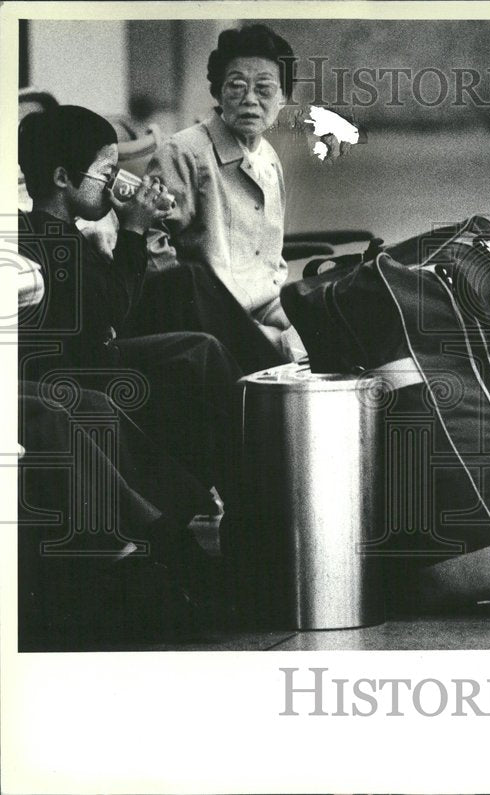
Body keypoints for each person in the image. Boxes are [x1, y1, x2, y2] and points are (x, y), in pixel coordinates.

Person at [17, 105, 243, 639]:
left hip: (92, 360)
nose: (114, 184)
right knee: (184, 360)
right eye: (105, 172)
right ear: (62, 179)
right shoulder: (43, 238)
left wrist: (130, 230)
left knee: (199, 348)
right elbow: (108, 311)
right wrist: (133, 229)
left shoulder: (71, 230)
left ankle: (253, 477)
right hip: (74, 371)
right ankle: (180, 540)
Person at [140, 23, 305, 369]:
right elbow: (151, 245)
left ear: (283, 99)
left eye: (264, 89)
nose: (250, 100)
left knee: (341, 334)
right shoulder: (184, 152)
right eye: (236, 86)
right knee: (292, 362)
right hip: (209, 316)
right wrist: (225, 321)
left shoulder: (269, 159)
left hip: (267, 306)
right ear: (217, 93)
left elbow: (271, 260)